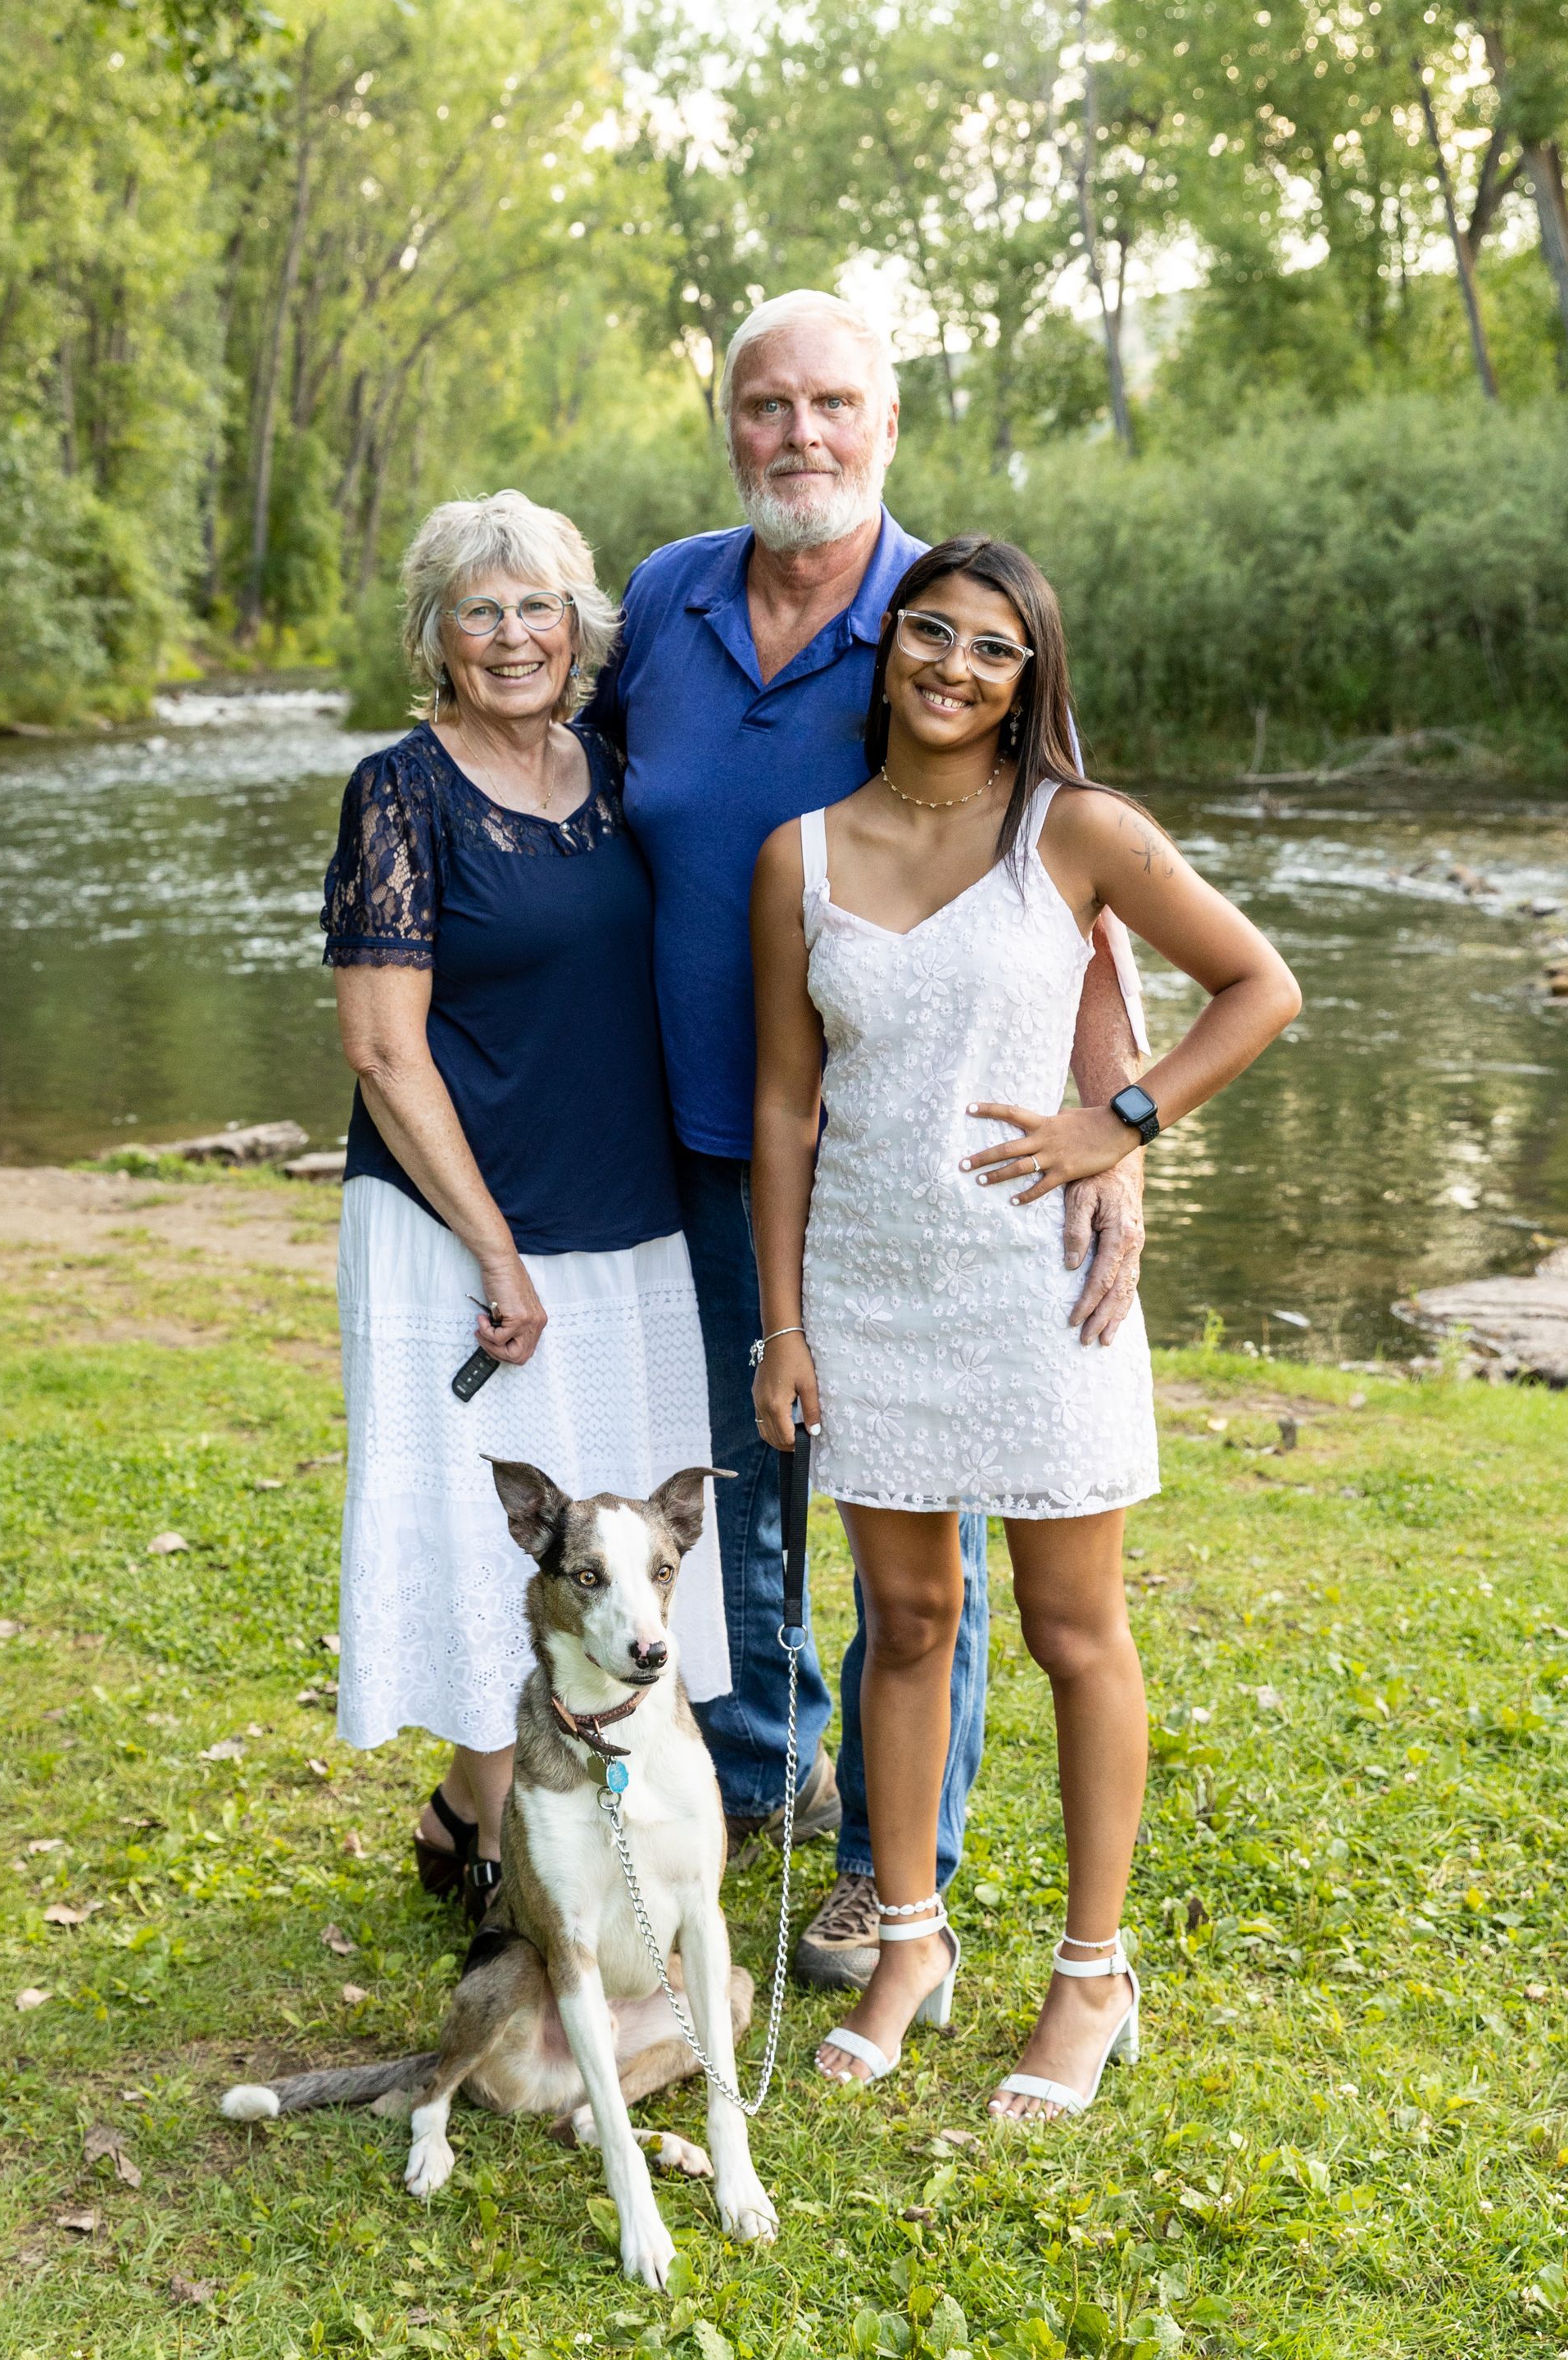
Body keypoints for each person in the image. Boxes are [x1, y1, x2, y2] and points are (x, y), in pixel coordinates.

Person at [585, 289, 1150, 1990]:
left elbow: (1081, 907)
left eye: (833, 403)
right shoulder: (668, 596)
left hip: (910, 1169)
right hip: (703, 1131)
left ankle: (891, 1880)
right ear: (729, 425)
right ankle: (766, 1767)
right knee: (742, 1479)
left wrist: (1117, 1134)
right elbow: (587, 803)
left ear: (886, 424)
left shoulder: (943, 619)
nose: (800, 434)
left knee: (924, 1540)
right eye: (768, 405)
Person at [750, 533, 1301, 2115]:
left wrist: (1118, 1122)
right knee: (906, 1621)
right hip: (867, 1280)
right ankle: (909, 1939)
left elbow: (1259, 986)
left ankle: (1092, 1973)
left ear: (1027, 677)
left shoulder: (1078, 831)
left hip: (1033, 1291)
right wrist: (784, 1325)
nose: (956, 667)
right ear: (890, 646)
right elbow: (785, 1106)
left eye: (995, 649)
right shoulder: (798, 854)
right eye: (933, 632)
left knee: (1071, 1631)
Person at [320, 489, 730, 1922]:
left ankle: (522, 1806)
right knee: (474, 1522)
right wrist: (493, 1251)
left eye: (537, 607)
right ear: (436, 636)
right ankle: (491, 1830)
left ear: (579, 627)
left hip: (628, 1214)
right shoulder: (398, 792)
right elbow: (384, 1050)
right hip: (455, 1231)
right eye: (479, 610)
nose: (511, 636)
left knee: (608, 1536)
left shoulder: (615, 772)